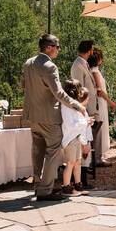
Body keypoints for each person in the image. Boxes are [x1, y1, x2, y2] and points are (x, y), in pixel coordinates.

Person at [21, 34, 87, 202]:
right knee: (52, 152)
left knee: (37, 151)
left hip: (32, 116)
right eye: (57, 46)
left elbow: (24, 86)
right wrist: (77, 105)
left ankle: (38, 185)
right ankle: (45, 190)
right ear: (48, 47)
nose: (59, 49)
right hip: (49, 117)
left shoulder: (28, 63)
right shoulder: (49, 66)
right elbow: (58, 93)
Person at [60, 79, 94, 196]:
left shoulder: (75, 106)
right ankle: (66, 187)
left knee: (78, 162)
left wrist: (86, 121)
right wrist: (85, 121)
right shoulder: (66, 107)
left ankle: (78, 185)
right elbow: (71, 125)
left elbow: (79, 122)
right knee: (70, 162)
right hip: (70, 139)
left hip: (77, 138)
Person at [87, 48, 116, 166]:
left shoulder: (93, 70)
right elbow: (100, 91)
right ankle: (98, 157)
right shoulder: (94, 71)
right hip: (100, 102)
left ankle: (99, 155)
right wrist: (111, 102)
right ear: (98, 59)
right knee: (101, 127)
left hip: (100, 102)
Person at [71, 41, 99, 163]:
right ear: (89, 51)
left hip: (90, 106)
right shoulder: (77, 65)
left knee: (89, 137)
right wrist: (83, 110)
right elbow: (79, 90)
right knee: (84, 139)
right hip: (85, 108)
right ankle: (82, 168)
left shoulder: (84, 63)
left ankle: (88, 163)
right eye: (92, 49)